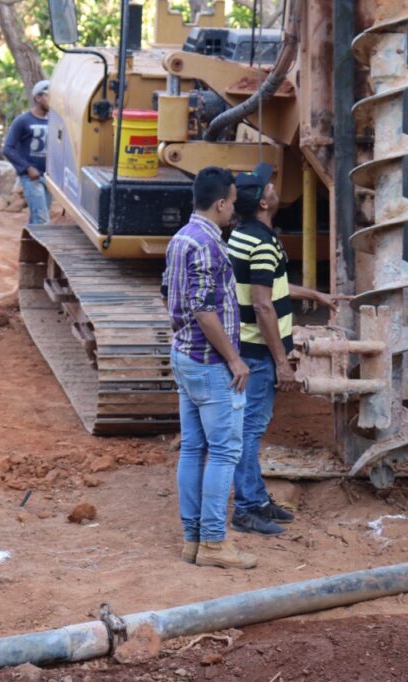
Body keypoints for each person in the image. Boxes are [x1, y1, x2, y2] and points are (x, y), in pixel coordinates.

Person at [226, 163, 337, 536]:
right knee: (249, 431)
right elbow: (262, 305)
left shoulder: (244, 235)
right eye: (268, 185)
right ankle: (246, 509)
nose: (274, 186)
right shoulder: (261, 243)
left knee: (248, 428)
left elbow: (269, 287)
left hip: (249, 347)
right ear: (262, 203)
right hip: (258, 353)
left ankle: (257, 499)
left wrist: (315, 294)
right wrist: (282, 364)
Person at [162, 166, 254, 570]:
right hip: (210, 362)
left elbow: (170, 293)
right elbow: (203, 309)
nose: (233, 208)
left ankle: (193, 539)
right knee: (224, 451)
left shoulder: (181, 238)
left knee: (193, 448)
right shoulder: (209, 246)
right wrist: (233, 358)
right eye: (231, 202)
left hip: (185, 356)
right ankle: (214, 542)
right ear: (219, 203)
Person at [2, 80, 52, 225]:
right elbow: (8, 148)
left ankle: (29, 240)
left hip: (49, 178)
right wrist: (27, 168)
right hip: (31, 178)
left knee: (38, 217)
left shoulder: (54, 122)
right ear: (38, 97)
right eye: (49, 96)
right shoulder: (23, 120)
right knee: (42, 219)